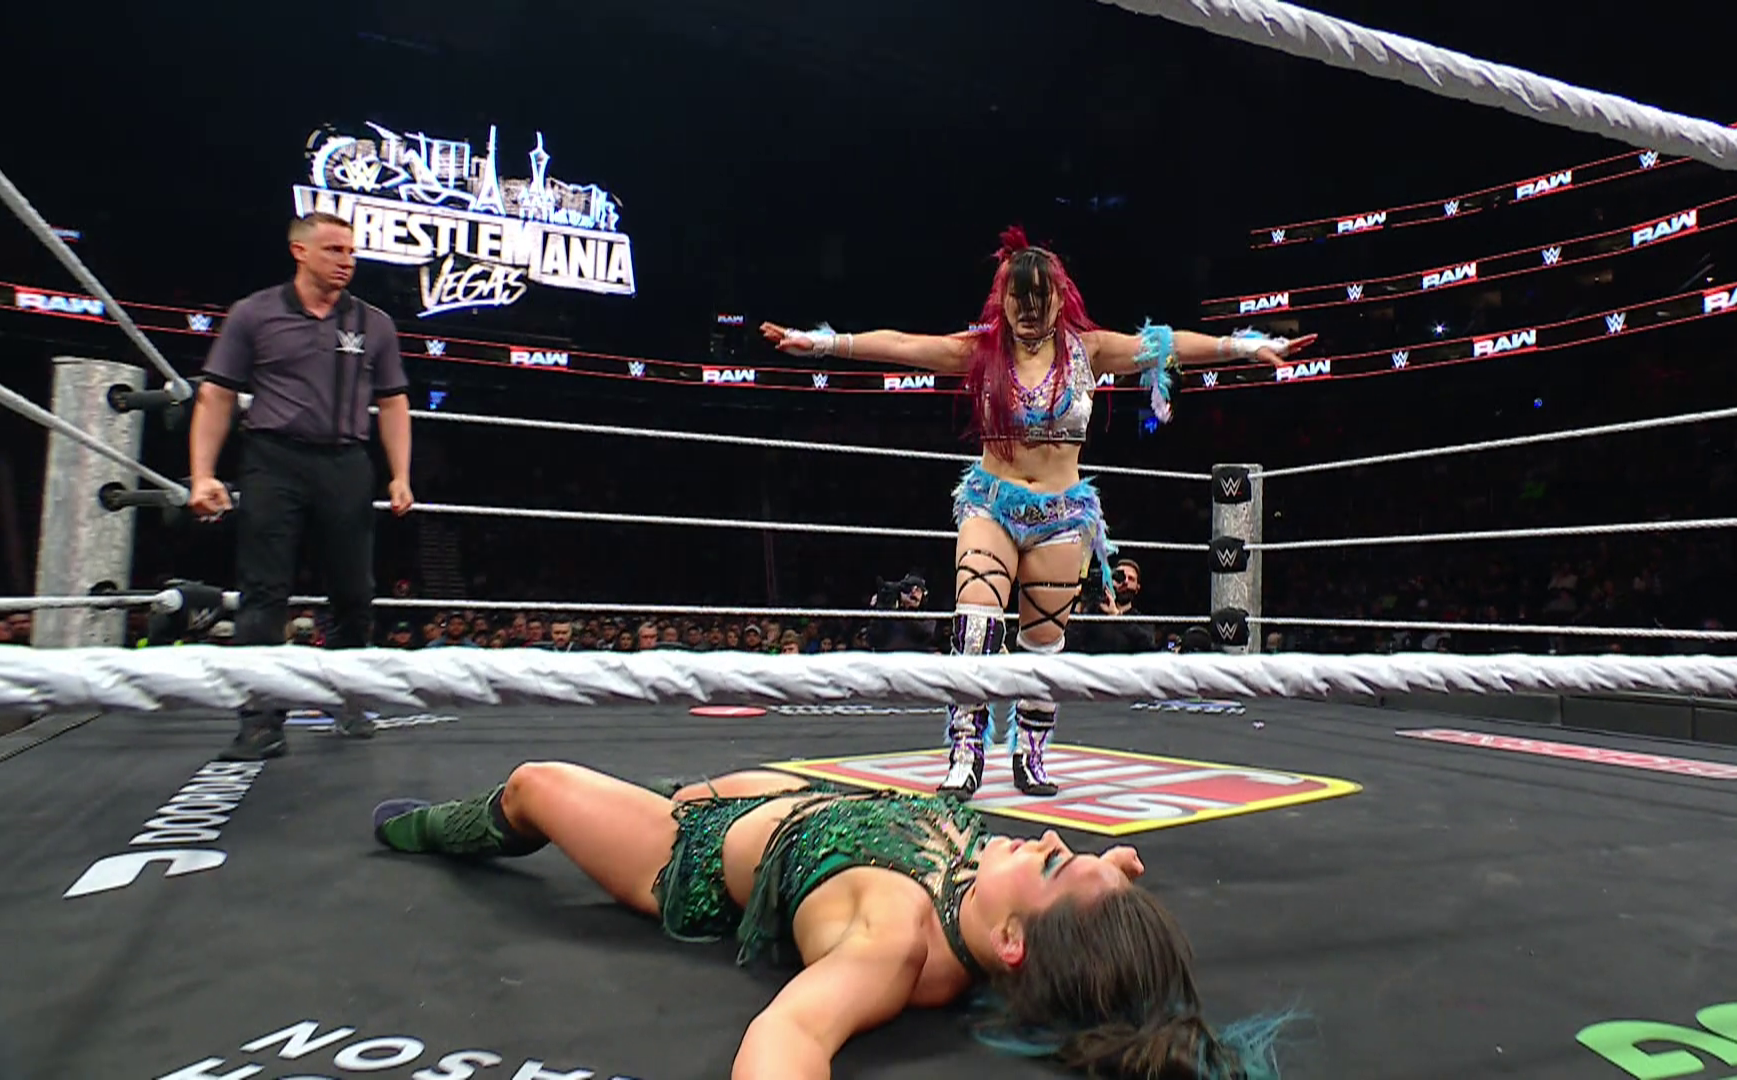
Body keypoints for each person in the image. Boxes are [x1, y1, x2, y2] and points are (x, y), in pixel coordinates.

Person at [760, 228, 1314, 799]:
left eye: (1038, 298)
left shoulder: (1088, 350)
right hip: (992, 503)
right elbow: (904, 345)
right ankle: (965, 749)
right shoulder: (981, 350)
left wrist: (1246, 347)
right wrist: (821, 343)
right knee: (975, 623)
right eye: (1017, 299)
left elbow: (1165, 343)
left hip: (1063, 513)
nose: (1027, 311)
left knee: (1044, 643)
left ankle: (1031, 750)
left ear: (1058, 298)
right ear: (1002, 300)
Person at [371, 764, 1293, 1079]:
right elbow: (1082, 926)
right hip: (800, 800)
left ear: (1013, 942)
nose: (1049, 838)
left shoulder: (894, 942)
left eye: (1053, 863)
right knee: (699, 787)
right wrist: (1102, 877)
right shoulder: (996, 904)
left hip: (689, 854)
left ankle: (426, 829)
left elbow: (789, 1036)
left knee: (535, 787)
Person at [187, 211, 416, 760]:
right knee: (263, 592)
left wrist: (401, 474)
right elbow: (216, 393)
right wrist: (202, 473)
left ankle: (348, 698)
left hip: (345, 462)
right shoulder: (254, 313)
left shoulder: (374, 323)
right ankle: (260, 721)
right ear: (300, 252)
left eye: (352, 252)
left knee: (354, 591)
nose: (347, 261)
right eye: (335, 250)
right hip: (273, 460)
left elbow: (393, 402)